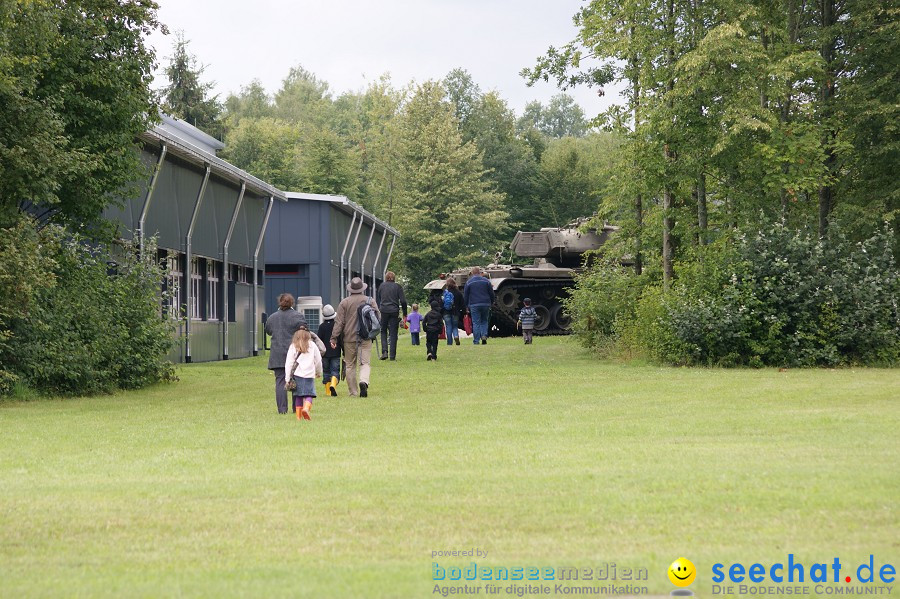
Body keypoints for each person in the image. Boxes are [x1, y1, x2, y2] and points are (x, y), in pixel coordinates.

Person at [330, 277, 381, 397]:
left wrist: (334, 338)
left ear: (350, 289)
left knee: (350, 365)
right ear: (362, 288)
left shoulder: (344, 302)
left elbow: (339, 322)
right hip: (365, 337)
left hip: (349, 338)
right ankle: (363, 381)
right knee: (365, 363)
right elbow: (378, 317)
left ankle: (353, 392)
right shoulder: (370, 301)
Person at [264, 293, 307, 414]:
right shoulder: (298, 317)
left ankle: (282, 409)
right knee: (296, 379)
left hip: (277, 354)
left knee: (280, 381)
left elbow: (268, 331)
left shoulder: (272, 318)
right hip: (294, 354)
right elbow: (304, 331)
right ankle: (296, 408)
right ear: (292, 303)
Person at [285, 328, 323, 420]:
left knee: (298, 395)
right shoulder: (313, 345)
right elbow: (318, 360)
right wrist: (318, 372)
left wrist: (287, 378)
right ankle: (306, 408)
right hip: (309, 375)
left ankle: (298, 417)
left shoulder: (293, 346)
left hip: (297, 375)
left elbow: (289, 363)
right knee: (309, 395)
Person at [376, 271, 407, 360]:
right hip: (394, 311)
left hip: (384, 310)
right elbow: (403, 301)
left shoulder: (381, 286)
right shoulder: (398, 287)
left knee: (383, 331)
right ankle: (392, 356)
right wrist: (405, 313)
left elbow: (379, 298)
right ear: (394, 278)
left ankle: (384, 351)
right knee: (393, 333)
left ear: (386, 278)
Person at [463, 266, 495, 345]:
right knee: (484, 321)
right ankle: (484, 335)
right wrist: (491, 302)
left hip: (474, 304)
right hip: (486, 303)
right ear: (480, 272)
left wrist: (466, 306)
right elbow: (491, 293)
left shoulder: (469, 282)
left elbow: (466, 295)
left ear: (472, 273)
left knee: (476, 322)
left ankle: (476, 340)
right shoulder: (486, 281)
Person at [316, 304, 341, 396]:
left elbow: (318, 340)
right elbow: (340, 339)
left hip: (325, 354)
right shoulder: (336, 326)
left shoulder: (322, 327)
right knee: (335, 371)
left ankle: (328, 392)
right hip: (335, 353)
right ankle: (333, 385)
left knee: (326, 372)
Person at [441, 278, 465, 346]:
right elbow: (462, 303)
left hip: (446, 312)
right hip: (455, 312)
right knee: (455, 326)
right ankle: (456, 336)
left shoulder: (445, 293)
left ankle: (449, 342)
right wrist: (464, 311)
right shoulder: (458, 293)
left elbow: (442, 303)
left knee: (448, 327)